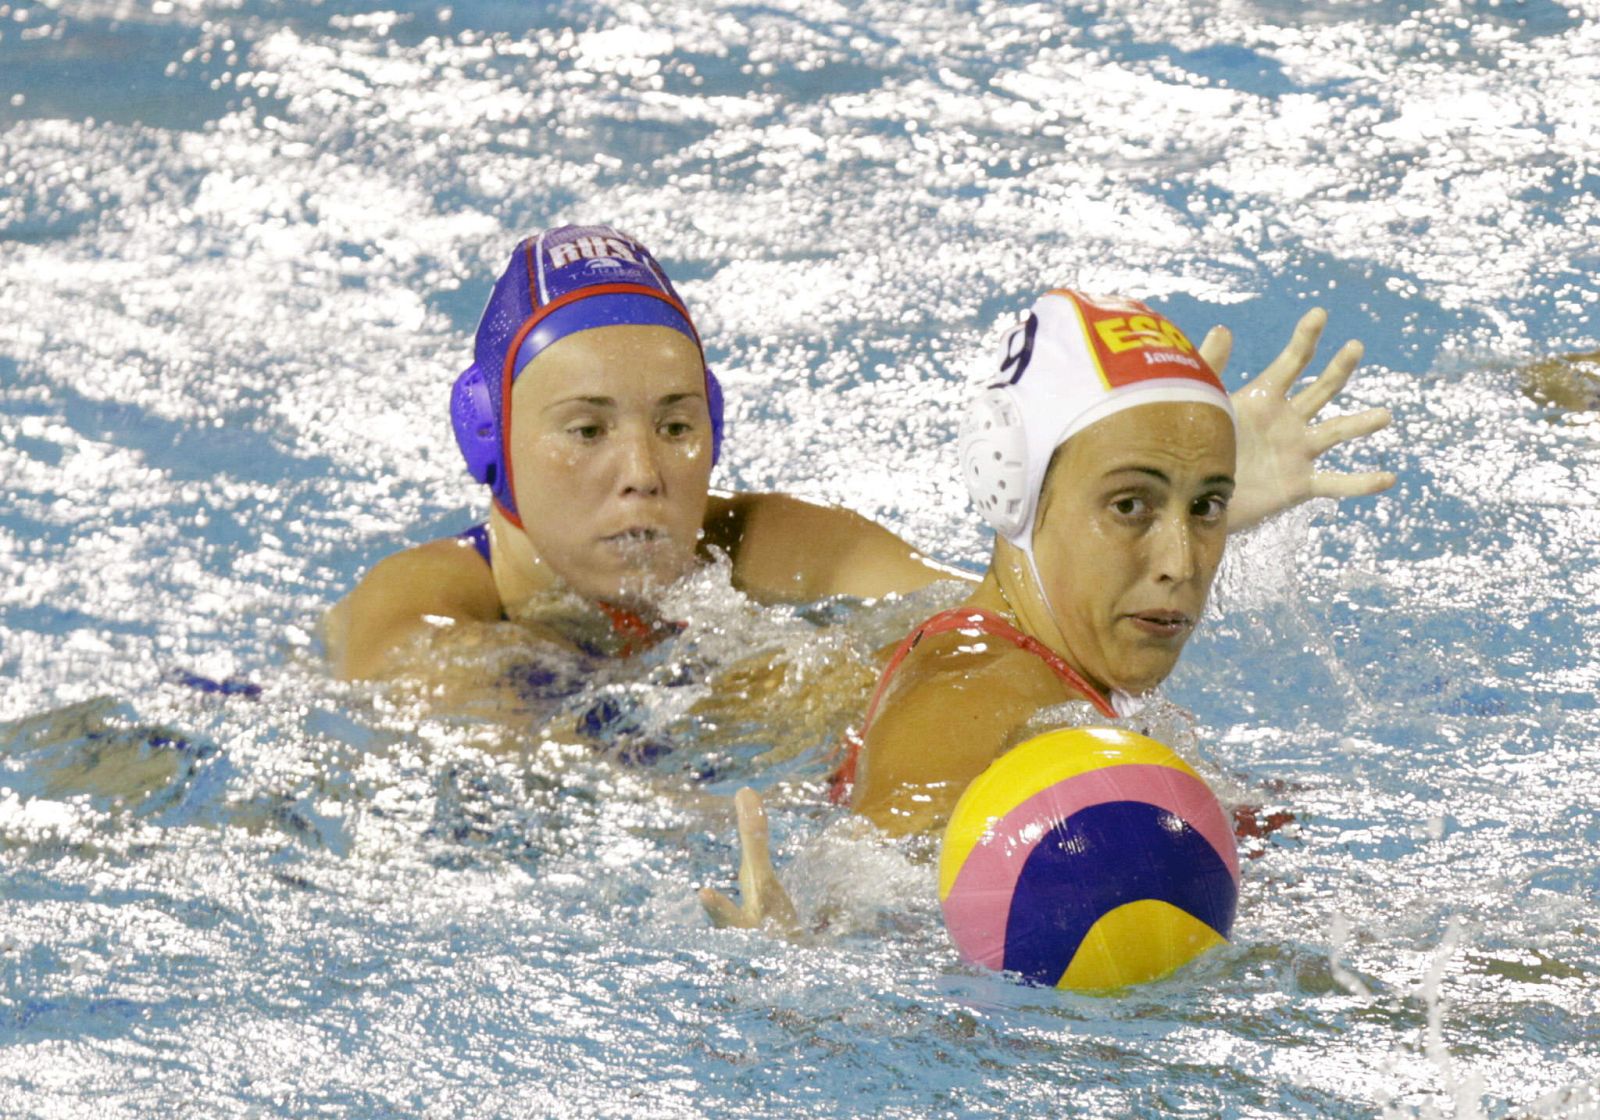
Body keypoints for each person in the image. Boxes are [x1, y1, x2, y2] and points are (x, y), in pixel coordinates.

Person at [700, 288, 1393, 931]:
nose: (1182, 562)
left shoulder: (1002, 644)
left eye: (1206, 507)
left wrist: (1166, 488)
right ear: (1014, 494)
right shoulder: (976, 703)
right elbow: (873, 910)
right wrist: (806, 954)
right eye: (1130, 505)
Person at [322, 224, 961, 687]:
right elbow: (473, 718)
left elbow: (1001, 624)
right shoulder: (421, 602)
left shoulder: (765, 545)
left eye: (676, 426)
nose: (643, 475)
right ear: (488, 437)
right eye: (588, 431)